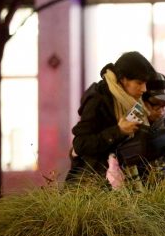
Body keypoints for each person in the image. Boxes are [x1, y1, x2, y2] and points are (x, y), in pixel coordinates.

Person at [67, 51, 157, 183]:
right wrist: (118, 131)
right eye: (139, 83)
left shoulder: (131, 101)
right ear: (123, 79)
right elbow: (81, 144)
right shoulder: (99, 99)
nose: (143, 89)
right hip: (92, 185)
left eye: (145, 83)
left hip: (123, 181)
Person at [114, 72, 165, 181]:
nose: (161, 110)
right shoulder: (127, 125)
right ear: (140, 101)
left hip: (163, 188)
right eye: (155, 103)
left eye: (164, 104)